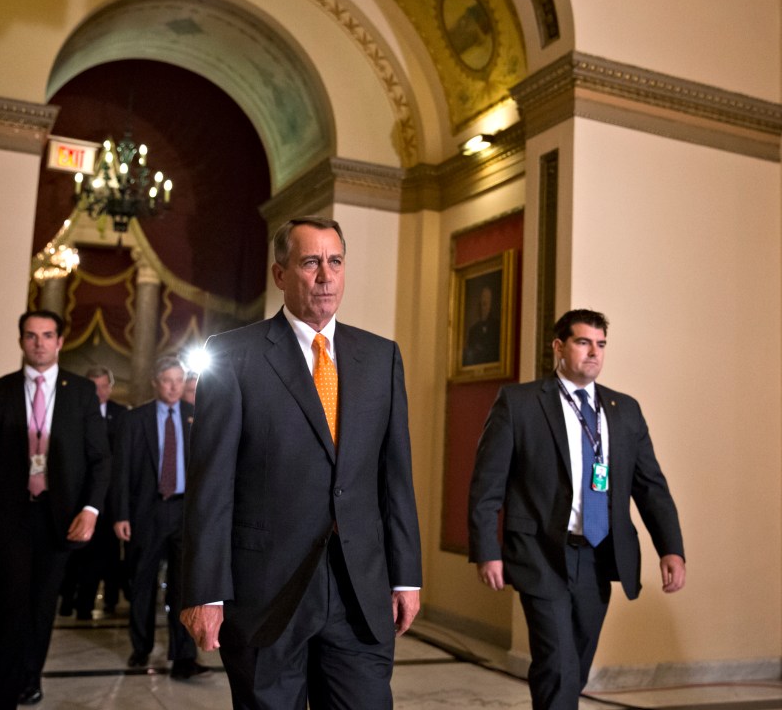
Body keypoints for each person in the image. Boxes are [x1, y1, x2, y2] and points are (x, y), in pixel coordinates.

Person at [181, 216, 423, 709]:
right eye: (310, 262)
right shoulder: (234, 355)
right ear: (280, 274)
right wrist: (204, 591)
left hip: (359, 590)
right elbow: (212, 486)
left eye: (335, 262)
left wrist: (405, 576)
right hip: (266, 595)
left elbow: (394, 477)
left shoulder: (381, 358)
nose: (325, 276)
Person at [468, 309, 685, 709]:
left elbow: (650, 486)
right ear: (559, 347)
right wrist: (487, 550)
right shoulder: (520, 403)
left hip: (598, 555)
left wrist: (670, 548)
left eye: (600, 344)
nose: (594, 353)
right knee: (557, 662)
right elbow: (487, 485)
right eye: (583, 342)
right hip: (540, 552)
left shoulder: (625, 410)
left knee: (576, 663)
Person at [0, 309, 110, 709]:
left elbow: (100, 458)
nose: (39, 343)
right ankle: (3, 696)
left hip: (58, 519)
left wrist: (91, 510)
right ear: (21, 341)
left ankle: (29, 678)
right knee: (10, 607)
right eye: (31, 336)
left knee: (42, 608)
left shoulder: (80, 391)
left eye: (47, 335)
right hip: (8, 518)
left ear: (60, 341)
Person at [112, 356, 207, 679]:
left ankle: (183, 655)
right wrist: (120, 514)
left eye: (179, 381)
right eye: (167, 380)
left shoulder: (197, 417)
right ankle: (141, 648)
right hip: (146, 511)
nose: (173, 387)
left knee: (184, 588)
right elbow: (120, 471)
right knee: (142, 584)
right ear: (156, 381)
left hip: (184, 512)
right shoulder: (133, 420)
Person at [59, 366, 128, 619]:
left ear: (110, 387)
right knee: (72, 553)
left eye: (102, 386)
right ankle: (66, 600)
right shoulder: (70, 412)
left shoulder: (121, 415)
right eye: (92, 386)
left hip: (107, 499)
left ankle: (86, 605)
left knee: (101, 555)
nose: (98, 392)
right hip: (75, 495)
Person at [463, 284, 500, 365]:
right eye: (483, 298)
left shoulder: (498, 327)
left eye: (487, 299)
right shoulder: (473, 330)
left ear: (491, 303)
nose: (485, 302)